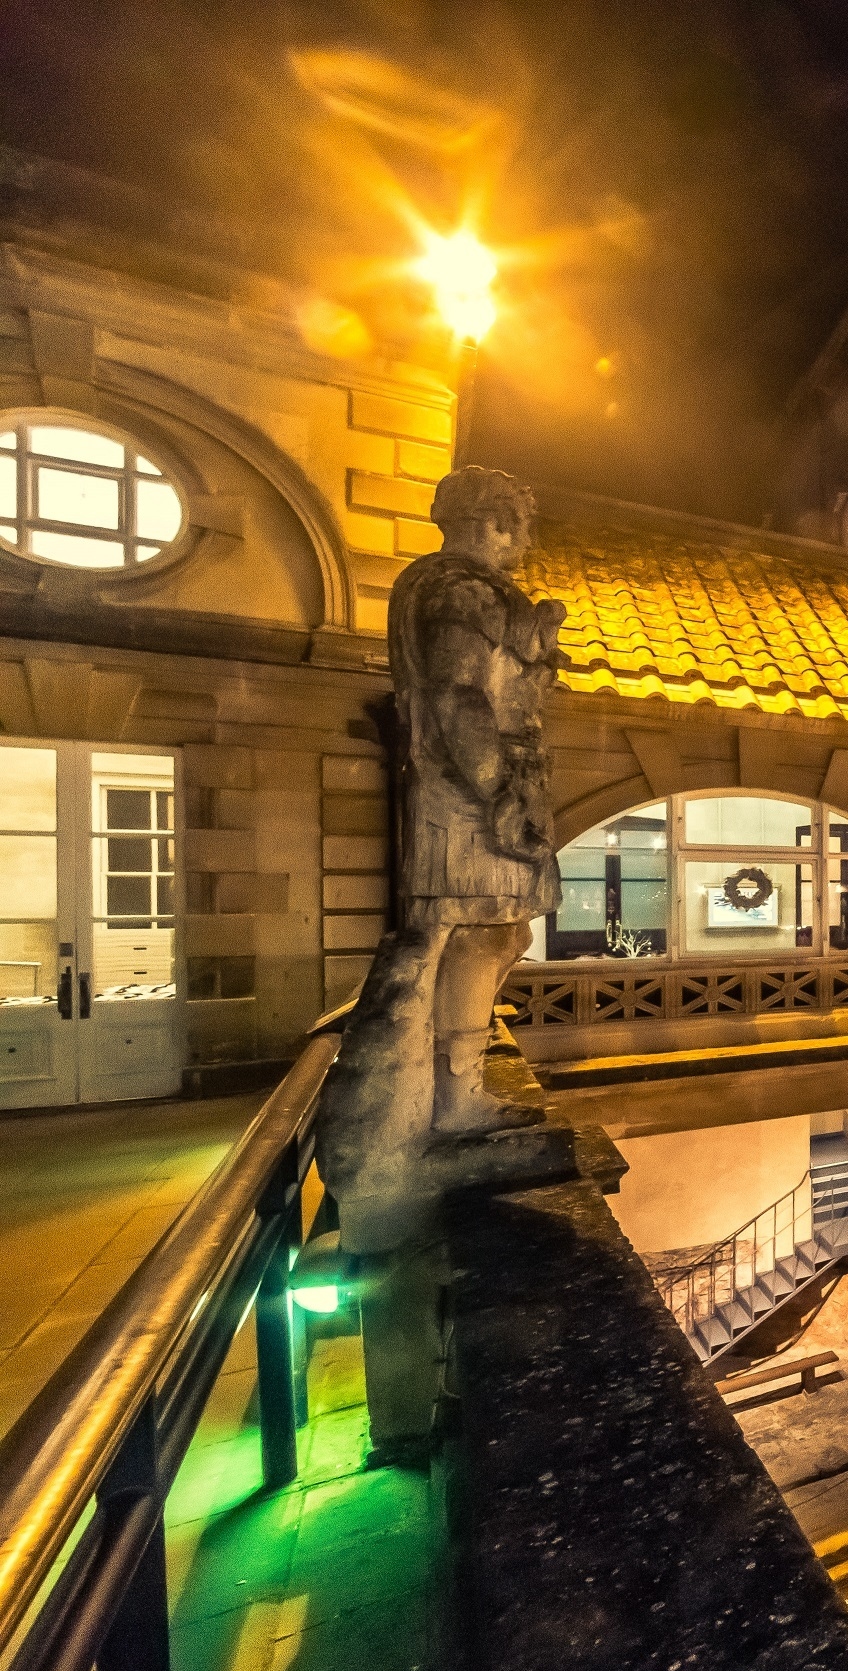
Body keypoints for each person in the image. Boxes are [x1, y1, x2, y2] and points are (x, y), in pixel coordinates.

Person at [323, 466, 565, 1457]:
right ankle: (454, 1091)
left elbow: (486, 689)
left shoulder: (445, 589)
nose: (514, 539)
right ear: (489, 521)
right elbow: (472, 696)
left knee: (489, 933)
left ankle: (456, 1085)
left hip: (468, 796)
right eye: (511, 524)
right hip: (472, 800)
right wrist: (504, 781)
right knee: (477, 929)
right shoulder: (460, 591)